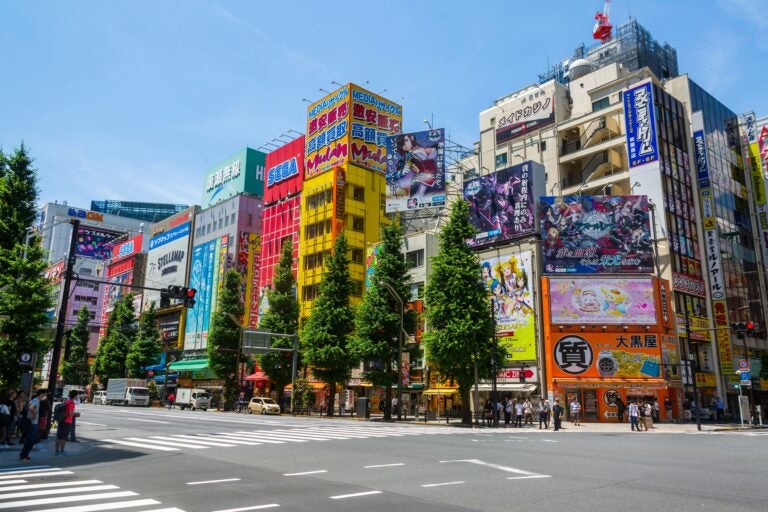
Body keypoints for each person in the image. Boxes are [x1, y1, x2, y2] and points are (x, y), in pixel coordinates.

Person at [19, 389, 45, 461]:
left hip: (30, 422)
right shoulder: (36, 401)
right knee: (31, 440)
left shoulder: (33, 400)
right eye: (44, 395)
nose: (44, 396)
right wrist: (35, 414)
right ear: (41, 394)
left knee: (30, 439)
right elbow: (30, 408)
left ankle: (24, 454)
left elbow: (29, 406)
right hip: (33, 423)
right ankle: (24, 455)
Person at [55, 389, 80, 456]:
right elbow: (70, 413)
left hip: (61, 420)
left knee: (59, 436)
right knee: (64, 437)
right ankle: (62, 451)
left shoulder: (66, 401)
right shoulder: (72, 403)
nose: (78, 396)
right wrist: (76, 414)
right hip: (67, 421)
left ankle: (56, 451)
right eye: (77, 394)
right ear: (75, 395)